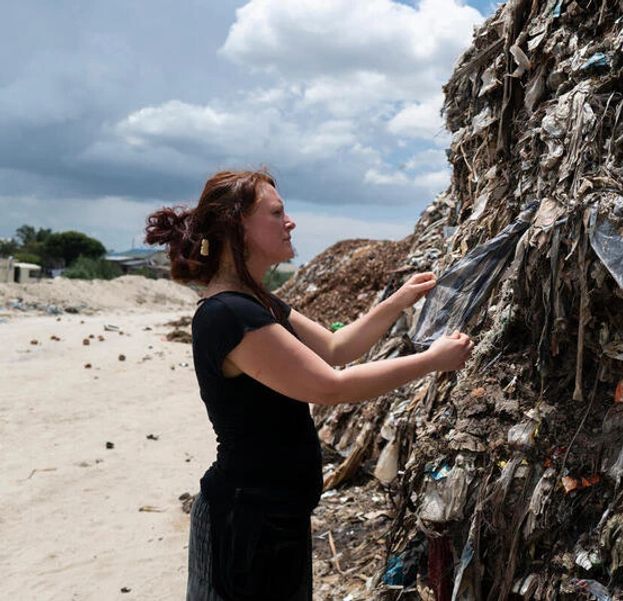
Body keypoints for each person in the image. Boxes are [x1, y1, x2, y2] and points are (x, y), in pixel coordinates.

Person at [145, 169, 473, 601]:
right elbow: (330, 387)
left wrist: (397, 301)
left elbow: (336, 347)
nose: (290, 221)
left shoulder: (258, 302)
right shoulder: (229, 313)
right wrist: (431, 361)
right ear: (234, 224)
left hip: (276, 517)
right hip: (246, 521)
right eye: (276, 212)